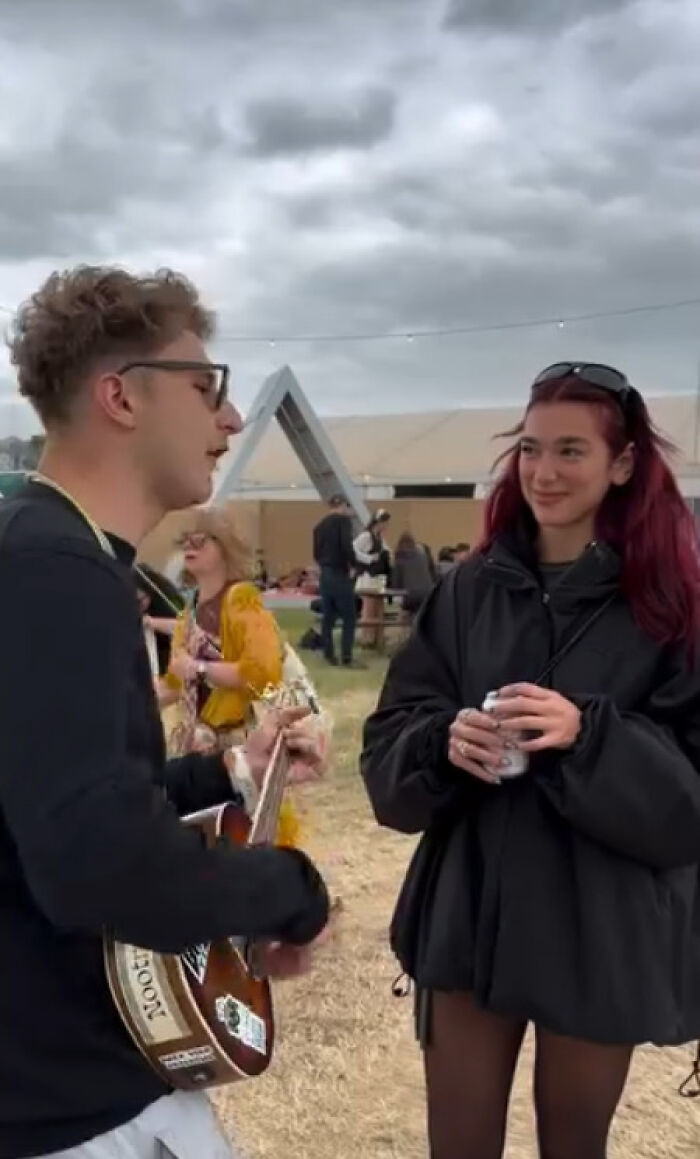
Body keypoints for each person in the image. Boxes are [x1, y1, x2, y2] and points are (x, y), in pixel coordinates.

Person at [0, 265, 331, 1159]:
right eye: (205, 385)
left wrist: (230, 767)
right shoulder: (56, 573)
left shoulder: (47, 553)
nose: (228, 418)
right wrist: (294, 891)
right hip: (70, 1105)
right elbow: (97, 862)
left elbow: (57, 789)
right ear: (120, 396)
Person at [360, 361, 700, 1159]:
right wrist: (444, 742)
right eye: (531, 448)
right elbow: (387, 747)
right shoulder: (468, 589)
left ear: (622, 464)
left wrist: (589, 733)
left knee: (575, 1146)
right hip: (469, 909)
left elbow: (690, 802)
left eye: (571, 451)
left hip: (599, 917)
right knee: (460, 1144)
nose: (544, 472)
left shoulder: (672, 605)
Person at [163, 509, 285, 752]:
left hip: (241, 744)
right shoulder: (189, 613)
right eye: (184, 540)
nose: (189, 546)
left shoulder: (242, 599)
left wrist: (199, 668)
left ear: (225, 546)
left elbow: (262, 673)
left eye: (199, 540)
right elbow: (175, 684)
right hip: (200, 745)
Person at [312, 493, 361, 668]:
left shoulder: (320, 526)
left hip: (325, 573)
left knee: (328, 616)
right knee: (349, 616)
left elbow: (316, 552)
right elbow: (346, 546)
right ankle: (346, 656)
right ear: (344, 506)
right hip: (340, 573)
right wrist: (353, 565)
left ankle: (329, 653)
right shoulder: (343, 522)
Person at [392, 531, 435, 618]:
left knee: (405, 612)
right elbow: (430, 572)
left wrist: (395, 592)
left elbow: (396, 580)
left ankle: (406, 630)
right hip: (428, 592)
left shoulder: (400, 556)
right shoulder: (423, 555)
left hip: (410, 594)